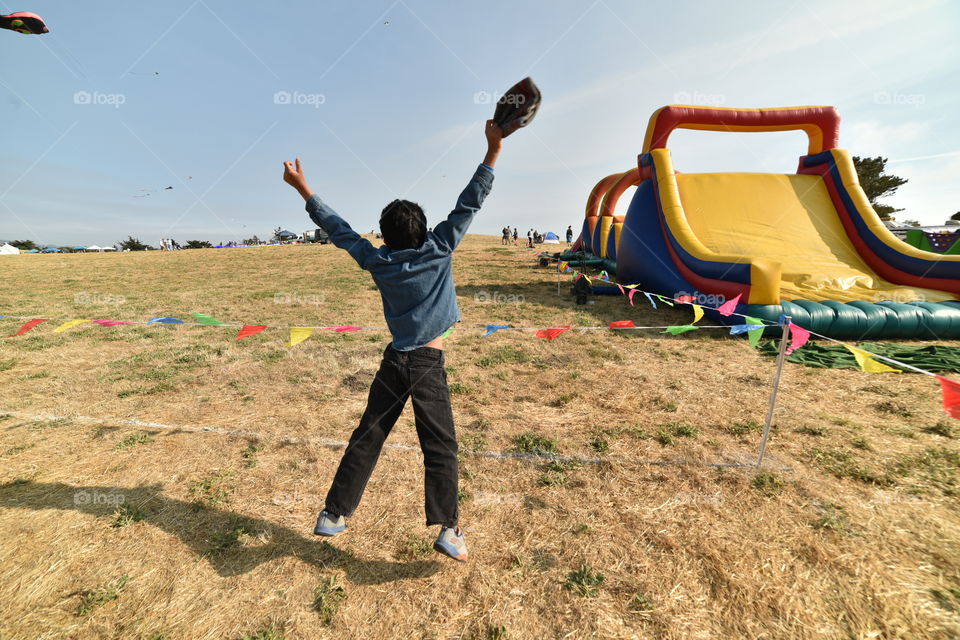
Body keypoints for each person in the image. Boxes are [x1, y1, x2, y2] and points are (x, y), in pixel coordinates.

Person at [281, 119, 504, 563]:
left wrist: (303, 189)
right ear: (423, 231)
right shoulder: (439, 248)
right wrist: (493, 149)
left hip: (394, 361)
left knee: (368, 436)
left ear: (384, 236)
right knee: (440, 446)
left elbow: (339, 229)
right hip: (426, 365)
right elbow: (469, 203)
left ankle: (333, 514)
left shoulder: (378, 261)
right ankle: (449, 529)